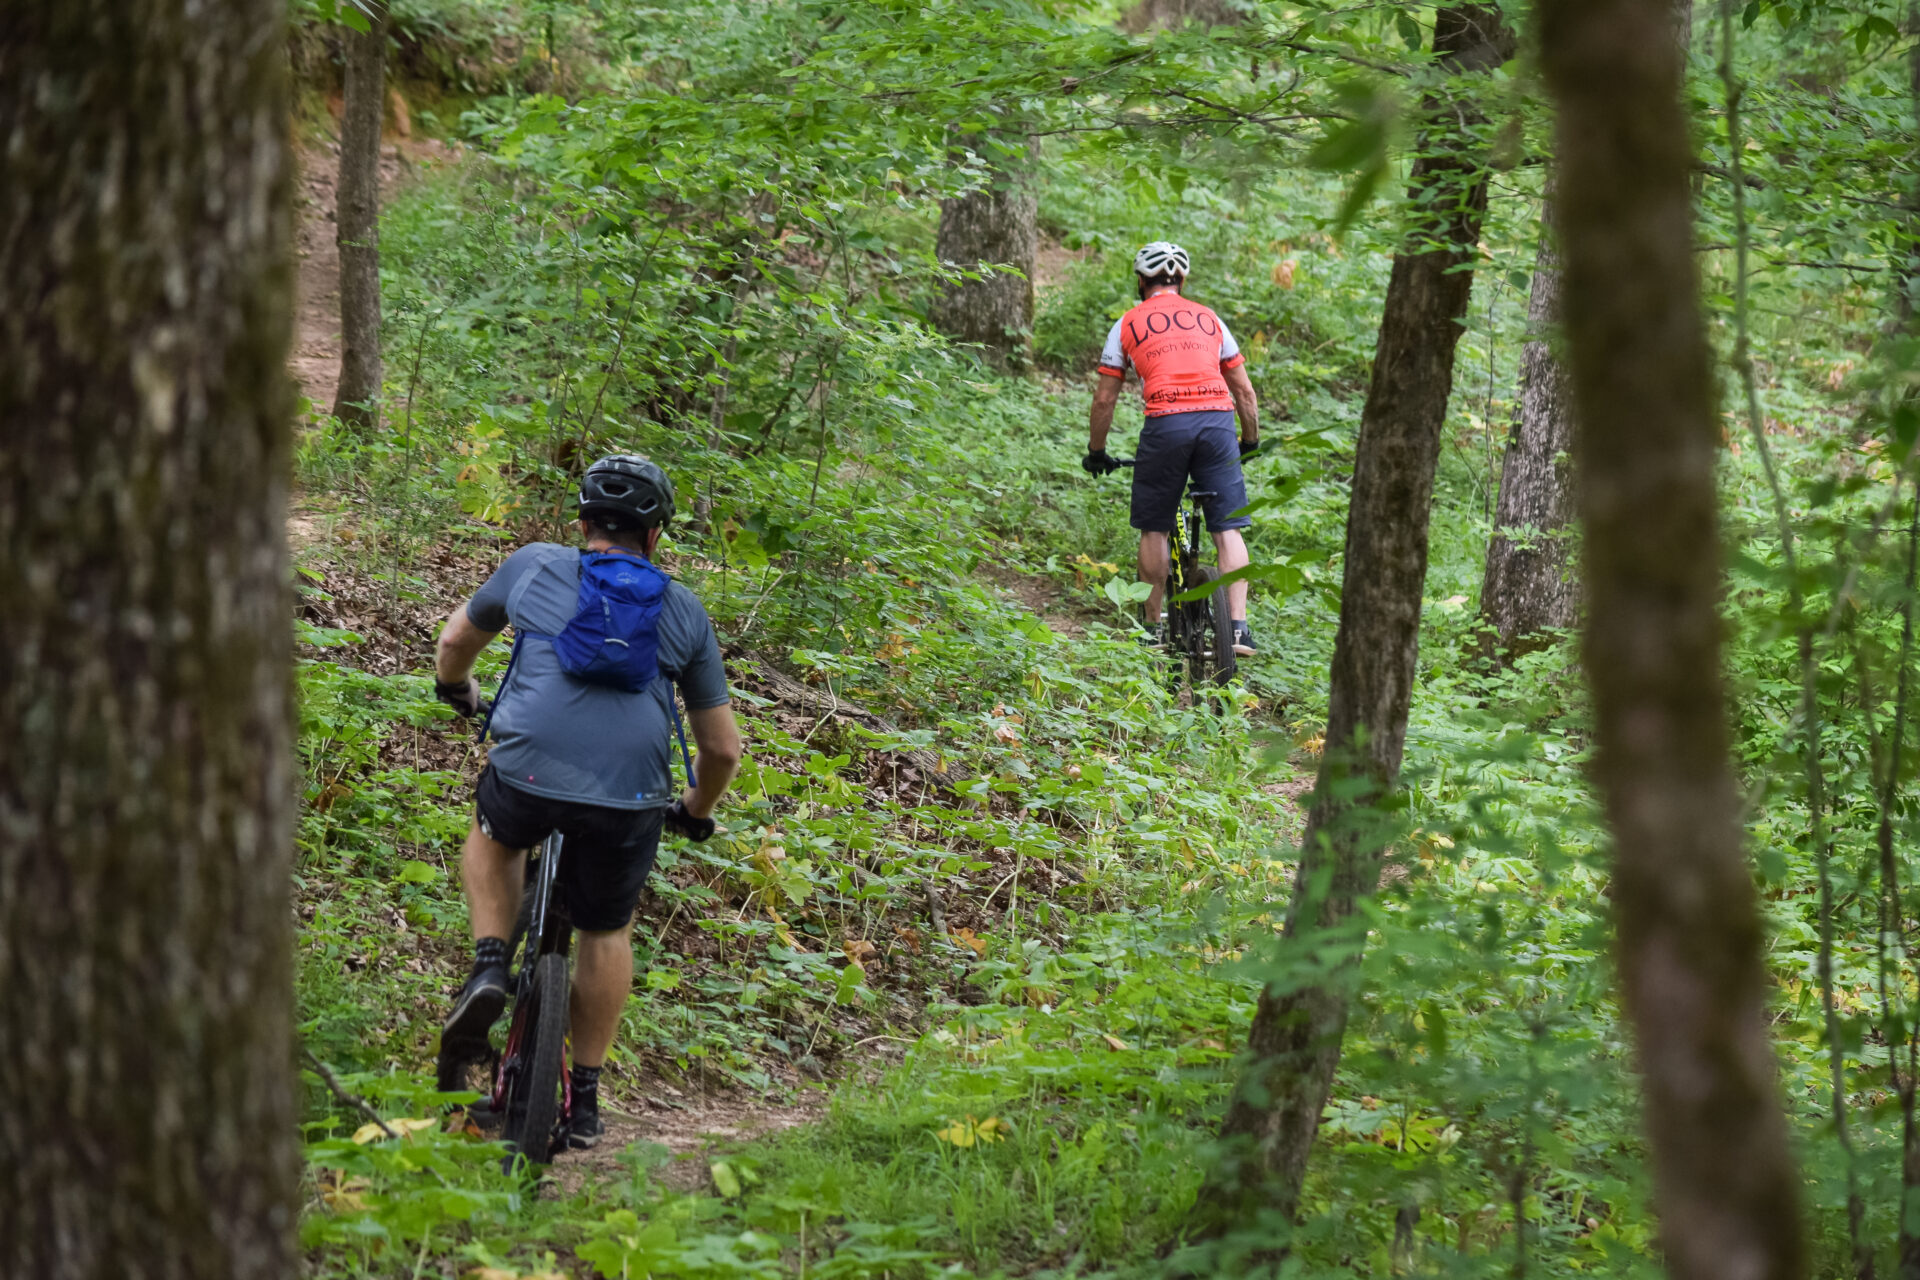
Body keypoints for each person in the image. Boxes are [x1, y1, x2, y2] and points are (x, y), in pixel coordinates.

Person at [430, 454, 742, 1149]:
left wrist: (457, 690)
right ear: (654, 536)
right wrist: (694, 809)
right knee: (606, 928)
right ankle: (590, 1096)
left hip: (530, 771)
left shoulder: (536, 565)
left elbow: (455, 642)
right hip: (629, 796)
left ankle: (488, 962)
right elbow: (721, 749)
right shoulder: (683, 609)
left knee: (497, 830)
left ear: (581, 522)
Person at [1082, 241, 1261, 655]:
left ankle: (1152, 628)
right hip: (1218, 421)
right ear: (1182, 279)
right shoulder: (1210, 319)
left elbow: (1105, 398)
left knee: (1155, 526)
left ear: (1141, 281)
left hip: (1166, 423)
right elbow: (1245, 392)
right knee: (1227, 527)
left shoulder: (1127, 323)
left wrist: (1097, 450)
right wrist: (1248, 440)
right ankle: (1238, 628)